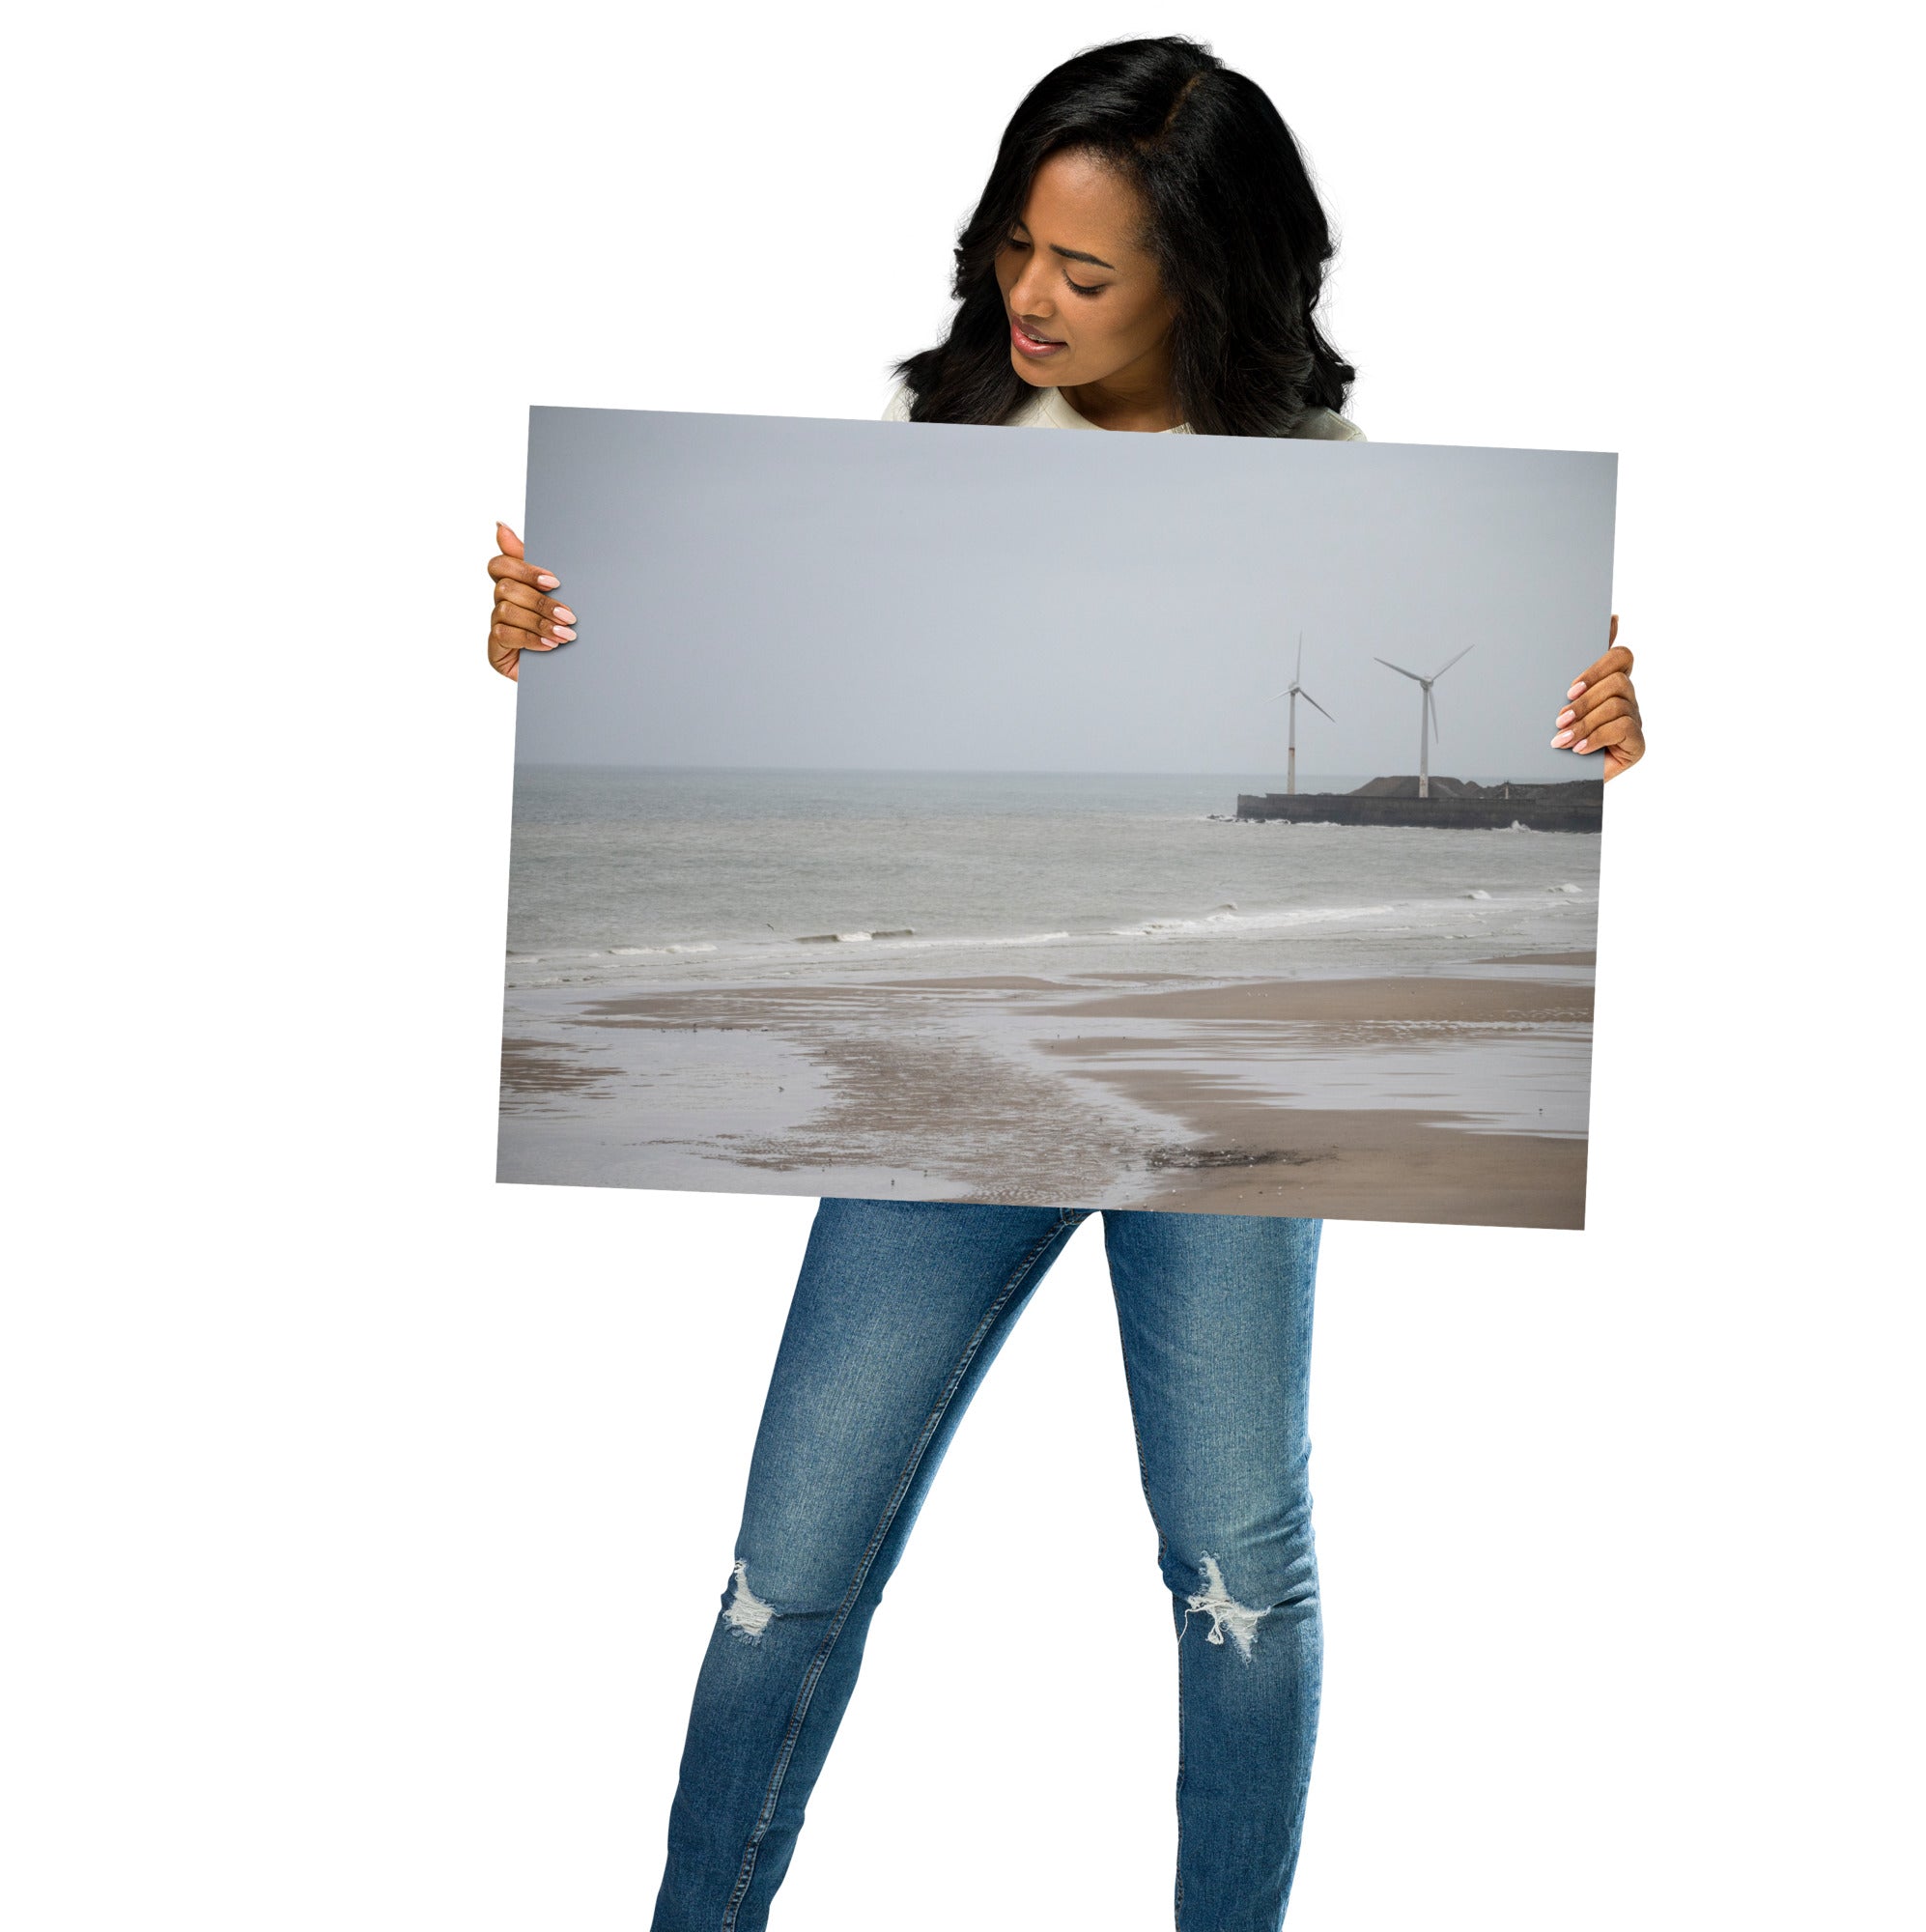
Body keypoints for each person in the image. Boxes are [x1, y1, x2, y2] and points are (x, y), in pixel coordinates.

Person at [484, 37, 1646, 1932]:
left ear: (1209, 273)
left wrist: (1597, 728)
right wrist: (551, 640)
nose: (1029, 296)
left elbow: (1493, 772)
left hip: (1237, 1080)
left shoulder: (1329, 489)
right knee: (787, 1558)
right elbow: (786, 681)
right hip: (962, 1051)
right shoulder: (930, 447)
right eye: (1017, 245)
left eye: (1085, 271)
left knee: (1236, 1564)